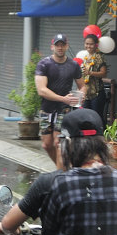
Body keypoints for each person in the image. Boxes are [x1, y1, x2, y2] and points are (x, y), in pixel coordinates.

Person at [36, 33, 84, 168]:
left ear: (67, 46)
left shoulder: (73, 65)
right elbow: (42, 90)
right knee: (46, 144)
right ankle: (62, 169)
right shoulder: (44, 64)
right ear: (52, 47)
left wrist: (81, 95)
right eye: (57, 45)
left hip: (64, 109)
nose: (60, 48)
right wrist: (63, 98)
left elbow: (82, 86)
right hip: (46, 109)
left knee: (58, 143)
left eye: (63, 45)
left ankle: (60, 174)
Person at [81, 33, 108, 122]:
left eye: (91, 44)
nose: (89, 46)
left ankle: (100, 136)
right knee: (86, 119)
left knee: (96, 119)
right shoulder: (85, 57)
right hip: (86, 94)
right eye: (87, 44)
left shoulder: (99, 57)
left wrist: (90, 73)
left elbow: (104, 73)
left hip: (97, 94)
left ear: (96, 45)